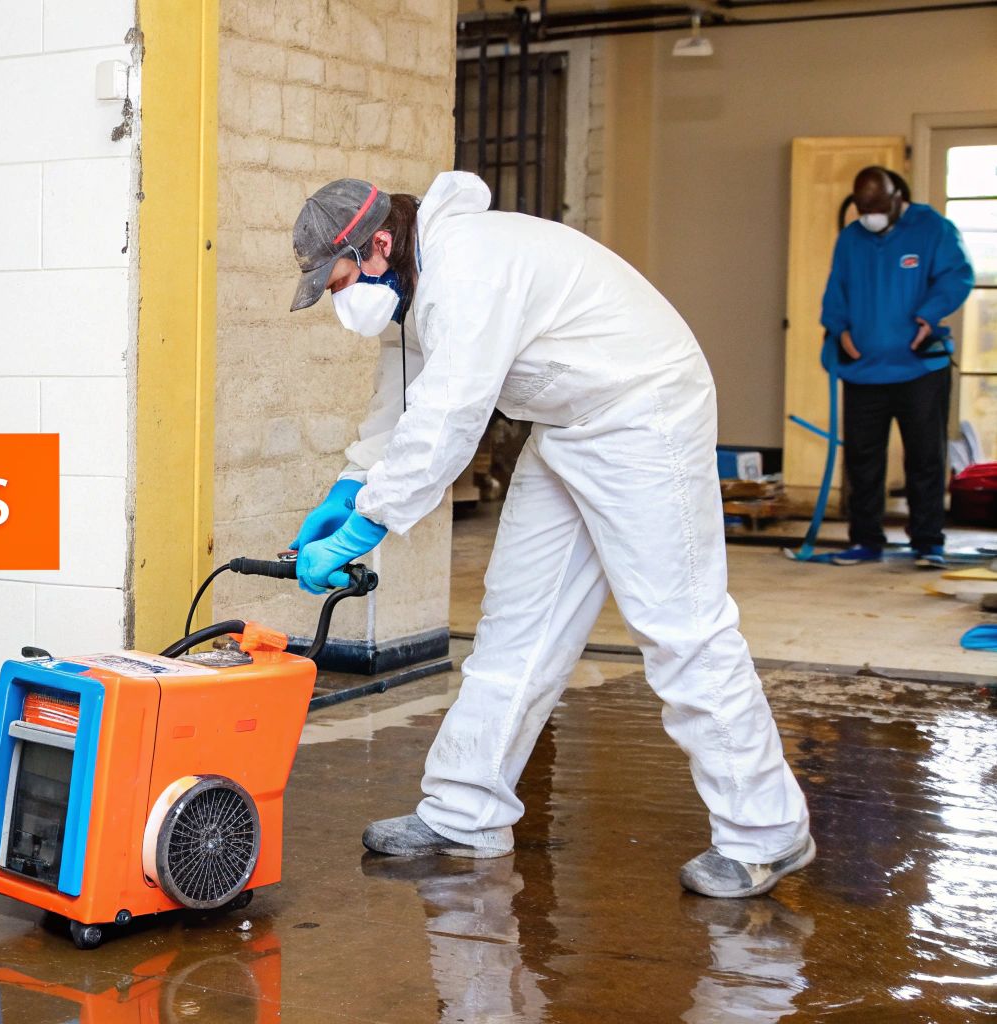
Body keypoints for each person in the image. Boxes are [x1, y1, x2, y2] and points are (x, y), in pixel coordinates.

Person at [286, 172, 813, 898]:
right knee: (517, 621)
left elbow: (448, 421)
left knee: (680, 626)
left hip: (642, 411)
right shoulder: (412, 283)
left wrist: (368, 524)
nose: (342, 299)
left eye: (341, 282)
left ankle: (766, 832)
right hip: (567, 422)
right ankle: (465, 810)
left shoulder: (467, 266)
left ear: (377, 243)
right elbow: (403, 401)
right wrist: (350, 484)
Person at [821, 166, 975, 568]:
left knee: (925, 456)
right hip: (863, 369)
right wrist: (839, 329)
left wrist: (929, 314)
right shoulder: (851, 239)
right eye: (862, 208)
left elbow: (957, 276)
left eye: (877, 207)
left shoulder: (932, 229)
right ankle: (866, 539)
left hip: (920, 368)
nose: (869, 215)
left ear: (896, 198)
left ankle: (928, 542)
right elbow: (835, 290)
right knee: (862, 458)